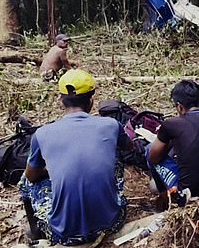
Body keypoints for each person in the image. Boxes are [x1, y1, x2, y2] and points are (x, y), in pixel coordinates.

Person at [19, 69, 131, 245]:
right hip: (111, 224)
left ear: (60, 100)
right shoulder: (111, 125)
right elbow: (129, 146)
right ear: (92, 101)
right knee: (114, 156)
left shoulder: (42, 134)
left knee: (24, 180)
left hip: (63, 234)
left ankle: (36, 231)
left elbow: (31, 176)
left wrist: (53, 171)